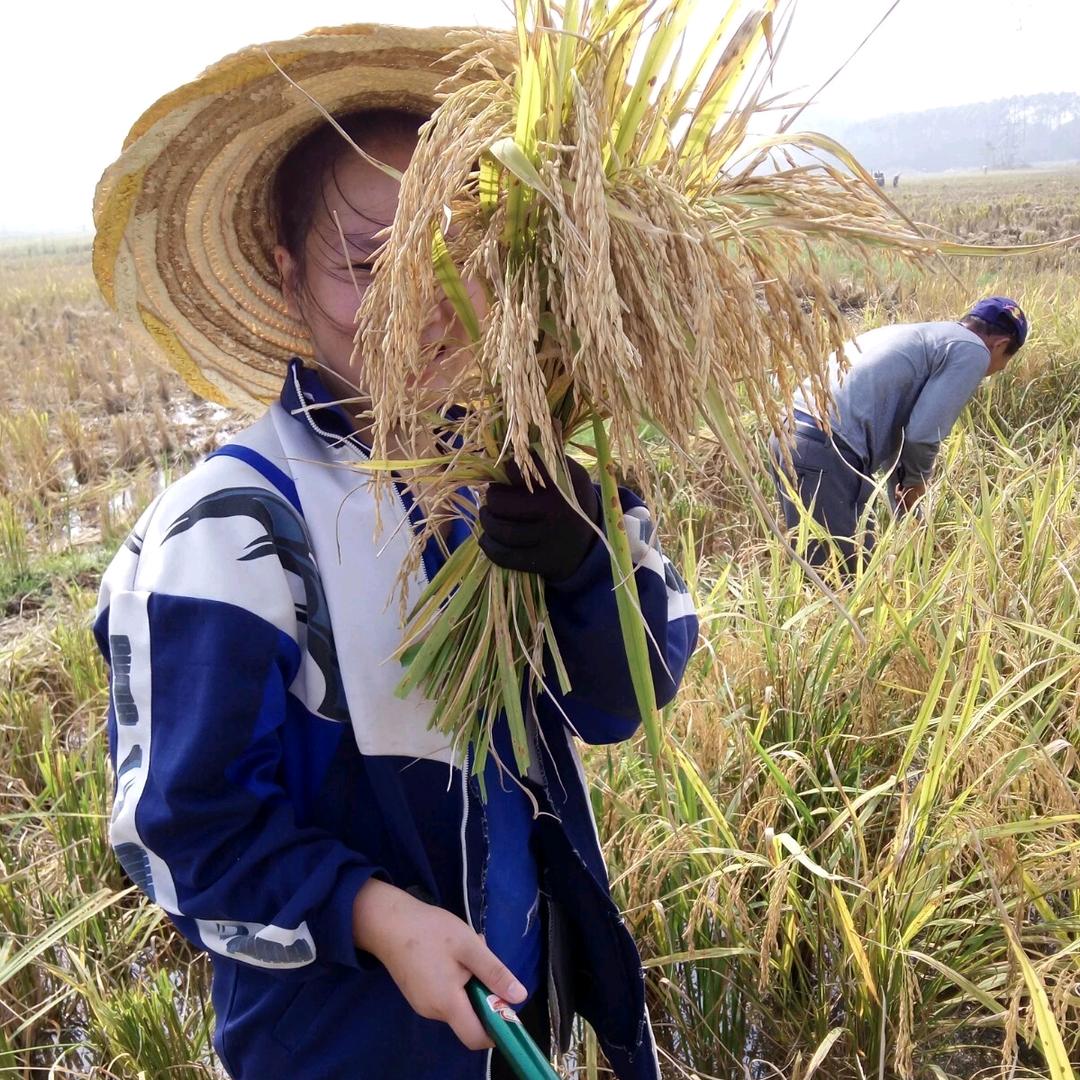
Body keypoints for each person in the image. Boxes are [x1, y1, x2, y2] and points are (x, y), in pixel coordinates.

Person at [91, 24, 697, 1080]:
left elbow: (622, 703)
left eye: (459, 259)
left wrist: (583, 564)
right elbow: (182, 830)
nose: (421, 307)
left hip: (519, 1019)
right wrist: (374, 916)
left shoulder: (530, 470)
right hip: (344, 1048)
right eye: (368, 264)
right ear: (288, 274)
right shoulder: (230, 532)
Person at [769, 297, 1028, 569]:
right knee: (843, 578)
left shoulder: (923, 335)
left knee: (817, 568)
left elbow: (900, 439)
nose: (992, 371)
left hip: (790, 433)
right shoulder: (974, 349)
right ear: (1000, 345)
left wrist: (910, 516)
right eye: (1002, 364)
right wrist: (916, 482)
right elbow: (921, 436)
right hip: (827, 450)